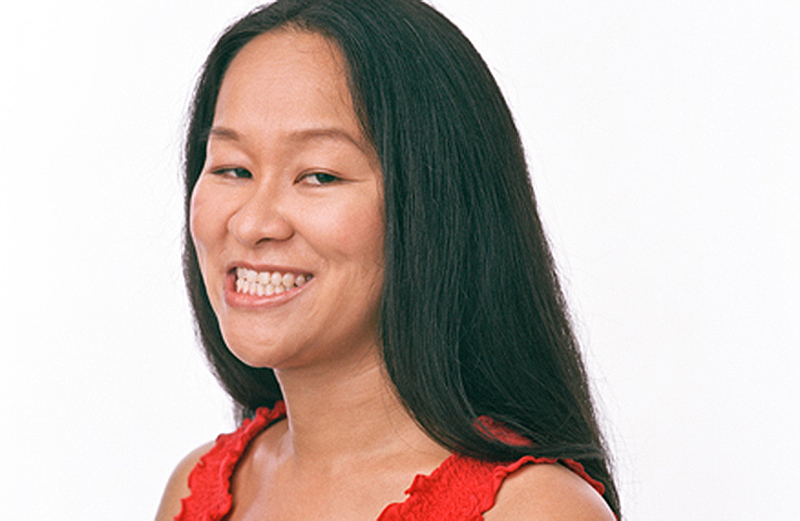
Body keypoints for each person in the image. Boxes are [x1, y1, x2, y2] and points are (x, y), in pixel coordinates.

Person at [156, 0, 620, 519]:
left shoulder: (535, 510)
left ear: (434, 206)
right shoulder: (196, 489)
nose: (252, 223)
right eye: (232, 169)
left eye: (320, 175)